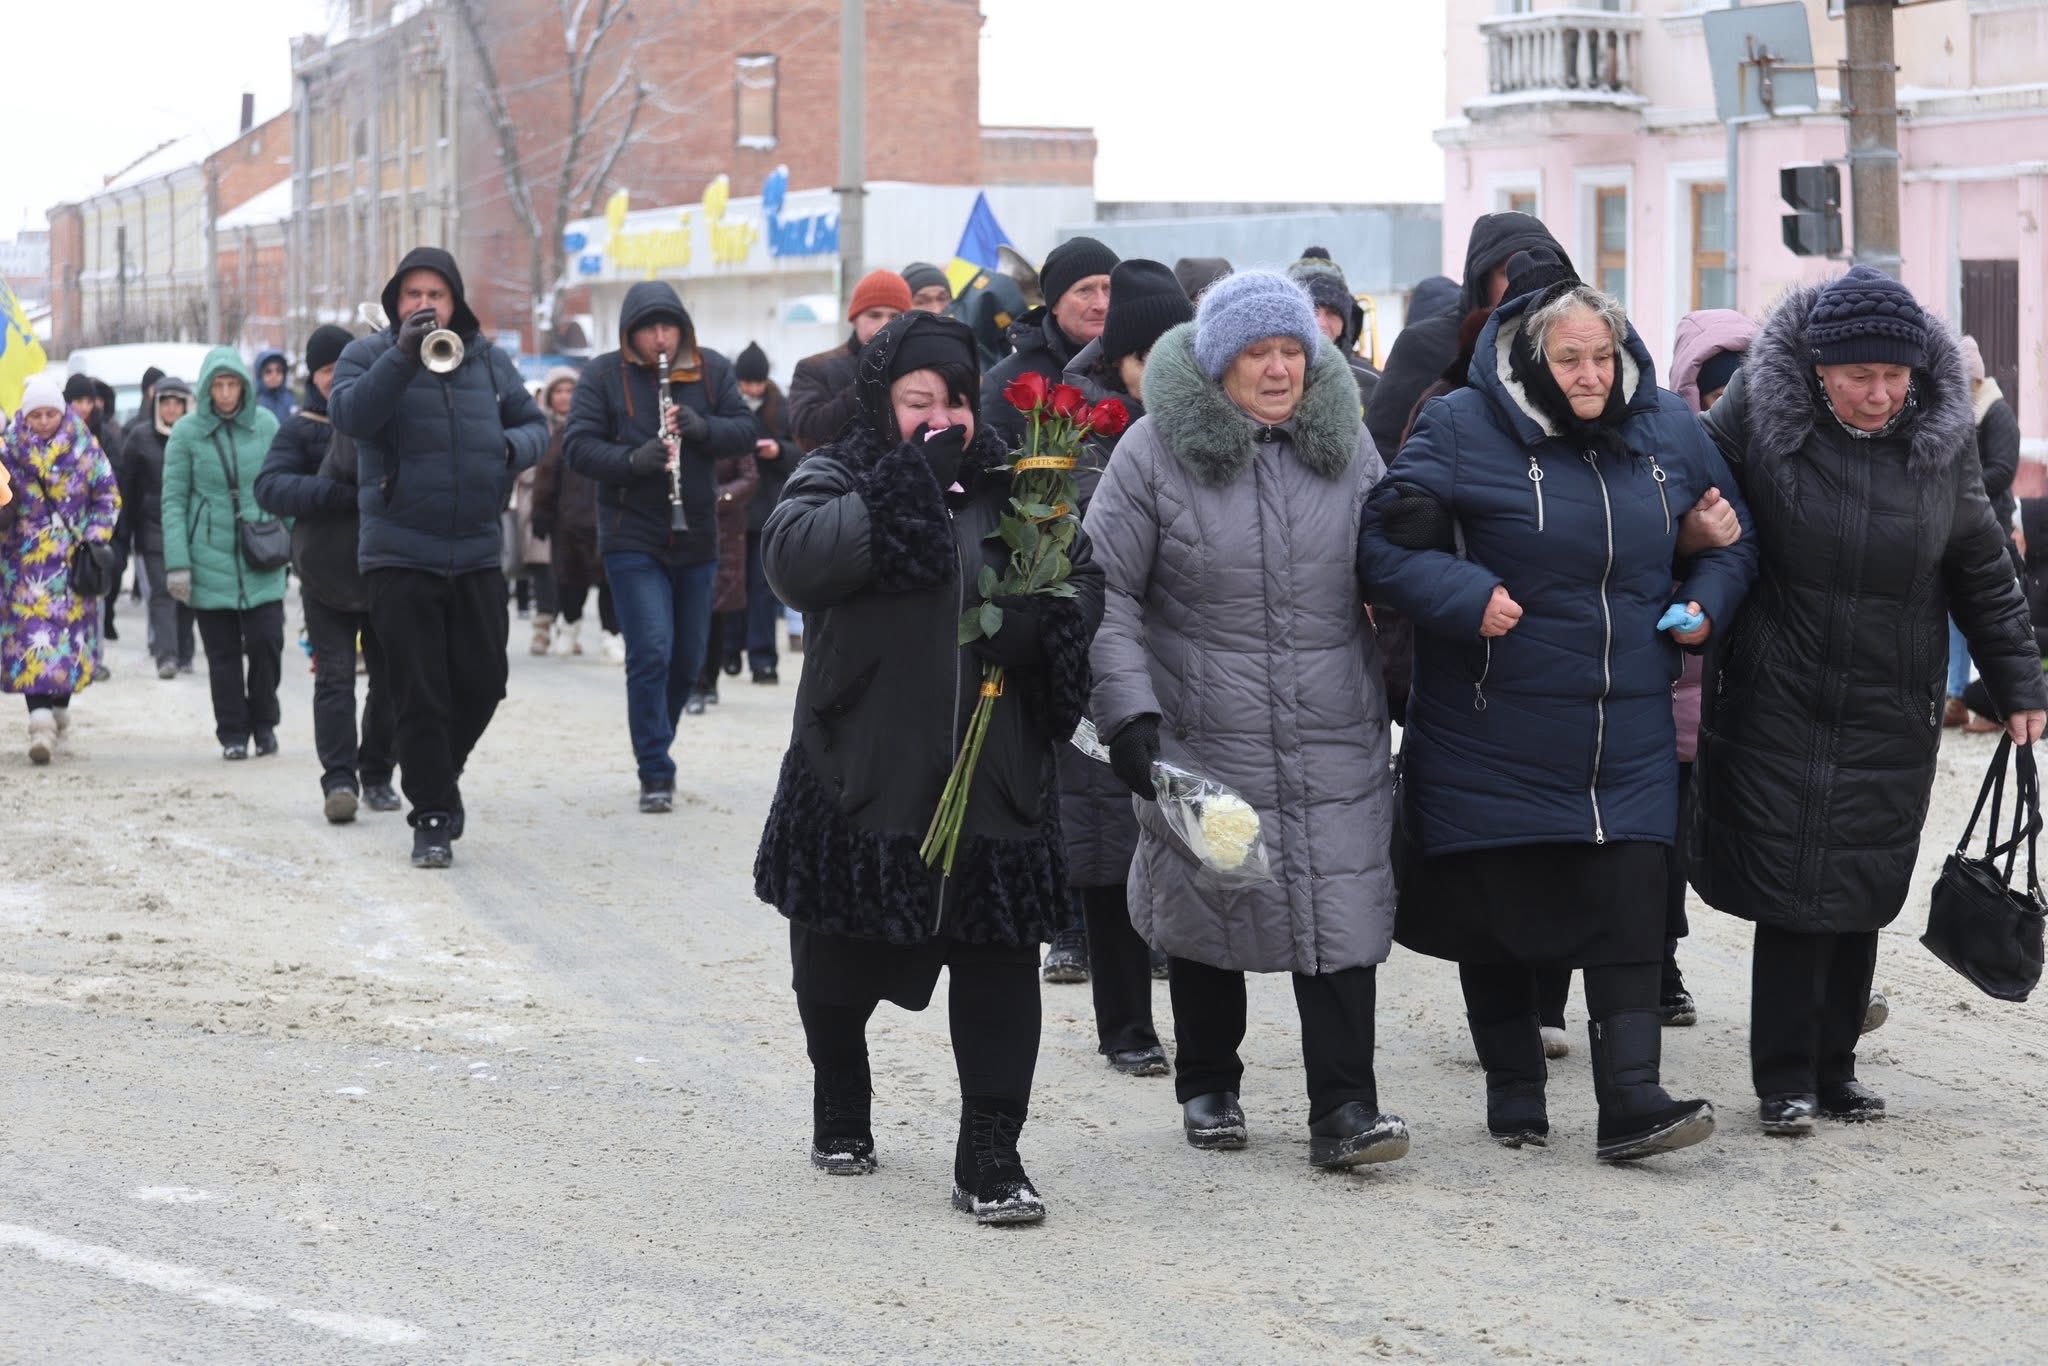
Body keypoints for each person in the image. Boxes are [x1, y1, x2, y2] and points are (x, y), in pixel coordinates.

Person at [1363, 278, 1759, 1161]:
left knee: (1630, 903)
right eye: (1569, 357)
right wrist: (1466, 595)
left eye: (1602, 356)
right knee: (1501, 905)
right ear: (1533, 361)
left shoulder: (1669, 429)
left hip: (1627, 722)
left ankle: (1631, 1100)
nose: (1588, 374)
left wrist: (1705, 597)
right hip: (1491, 720)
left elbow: (1737, 540)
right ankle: (1515, 1092)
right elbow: (1384, 547)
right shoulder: (1461, 425)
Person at [754, 310, 1104, 1224]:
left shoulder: (1019, 484)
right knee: (831, 972)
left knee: (997, 966)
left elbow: (1084, 571)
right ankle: (841, 1091)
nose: (941, 416)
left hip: (994, 778)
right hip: (864, 774)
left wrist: (1051, 625)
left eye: (955, 398)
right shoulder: (842, 470)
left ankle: (991, 1147)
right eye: (919, 401)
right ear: (884, 403)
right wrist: (907, 486)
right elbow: (794, 561)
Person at [1689, 266, 2048, 1135]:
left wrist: (2018, 681)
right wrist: (1696, 538)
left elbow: (1981, 568)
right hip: (1780, 686)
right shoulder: (1756, 417)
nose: (1881, 395)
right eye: (1860, 378)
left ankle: (1836, 1066)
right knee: (1790, 887)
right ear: (1818, 369)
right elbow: (1681, 490)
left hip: (1891, 695)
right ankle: (1782, 1078)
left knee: (1859, 885)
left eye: (1895, 377)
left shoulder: (1942, 438)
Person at [1087, 271, 1410, 1170]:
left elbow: (1391, 566)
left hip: (1334, 721)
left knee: (1338, 904)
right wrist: (1128, 715)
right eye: (1259, 353)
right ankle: (1209, 1084)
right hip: (1202, 718)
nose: (1279, 370)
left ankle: (1346, 1108)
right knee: (1212, 903)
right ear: (1220, 361)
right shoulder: (1153, 451)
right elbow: (1103, 588)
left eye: (1294, 351)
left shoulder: (1348, 447)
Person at [329, 246, 549, 869]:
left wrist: (505, 450)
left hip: (477, 548)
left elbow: (536, 426)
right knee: (420, 690)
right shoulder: (366, 355)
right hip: (399, 551)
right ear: (395, 302)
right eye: (413, 295)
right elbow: (350, 415)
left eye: (436, 295)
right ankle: (430, 818)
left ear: (455, 302)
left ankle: (437, 774)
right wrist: (401, 357)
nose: (425, 305)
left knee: (485, 682)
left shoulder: (487, 359)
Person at [1054, 257, 1192, 1070]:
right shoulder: (1071, 423)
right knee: (1108, 849)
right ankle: (1127, 1027)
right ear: (1120, 359)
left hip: (1190, 660)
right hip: (1100, 657)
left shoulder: (1207, 415)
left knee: (1186, 837)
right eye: (1151, 356)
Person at [563, 281, 758, 813]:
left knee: (688, 657)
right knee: (650, 648)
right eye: (649, 328)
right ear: (631, 332)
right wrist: (632, 460)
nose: (660, 338)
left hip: (696, 533)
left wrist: (700, 427)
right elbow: (577, 447)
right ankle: (655, 769)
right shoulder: (603, 376)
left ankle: (658, 740)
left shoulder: (712, 369)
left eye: (668, 326)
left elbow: (746, 430)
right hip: (631, 536)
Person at [1656, 307, 1758, 1026]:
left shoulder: (1783, 457)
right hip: (1670, 683)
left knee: (1728, 834)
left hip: (1740, 684)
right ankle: (1659, 966)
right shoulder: (1671, 454)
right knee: (1657, 840)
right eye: (1719, 398)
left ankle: (1821, 979)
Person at [254, 323, 400, 822]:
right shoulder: (302, 427)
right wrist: (335, 495)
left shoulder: (388, 419)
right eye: (327, 370)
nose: (336, 378)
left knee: (391, 681)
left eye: (345, 367)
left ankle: (378, 773)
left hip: (387, 571)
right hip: (324, 575)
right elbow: (271, 488)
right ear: (313, 377)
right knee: (335, 681)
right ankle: (339, 779)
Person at [162, 348, 286, 761]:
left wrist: (292, 539)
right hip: (207, 556)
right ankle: (232, 732)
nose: (227, 393)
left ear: (245, 386)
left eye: (233, 384)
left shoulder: (266, 425)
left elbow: (286, 485)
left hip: (262, 553)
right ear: (206, 388)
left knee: (268, 642)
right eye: (218, 385)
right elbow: (174, 501)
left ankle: (265, 722)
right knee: (222, 654)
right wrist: (178, 563)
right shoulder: (186, 433)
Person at [1370, 213, 1572, 460]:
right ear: (1482, 280)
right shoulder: (1423, 346)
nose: (1529, 278)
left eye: (1544, 265)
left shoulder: (1585, 346)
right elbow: (1382, 452)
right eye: (1509, 270)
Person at [1, 374, 119, 763]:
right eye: (37, 414)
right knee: (31, 644)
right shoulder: (10, 451)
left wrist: (95, 535)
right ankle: (39, 724)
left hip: (72, 566)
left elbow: (107, 493)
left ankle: (59, 710)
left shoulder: (85, 447)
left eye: (51, 412)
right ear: (25, 414)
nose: (45, 421)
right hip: (24, 567)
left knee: (67, 646)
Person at [1948, 335, 2023, 732]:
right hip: (1960, 528)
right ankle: (1957, 695)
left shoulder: (1996, 414)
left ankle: (1990, 702)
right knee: (1953, 616)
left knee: (1989, 612)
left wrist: (1959, 486)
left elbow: (2003, 471)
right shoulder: (1961, 414)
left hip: (1990, 528)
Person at [979, 236, 1120, 446]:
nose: (1101, 304)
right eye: (1085, 290)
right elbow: (989, 470)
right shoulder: (1005, 382)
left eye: (1108, 288)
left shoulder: (1141, 367)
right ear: (1054, 304)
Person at [530, 366, 615, 658]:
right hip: (568, 520)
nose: (566, 397)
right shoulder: (559, 433)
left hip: (604, 517)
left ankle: (612, 634)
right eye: (560, 391)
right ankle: (568, 627)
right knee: (569, 580)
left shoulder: (609, 429)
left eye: (572, 391)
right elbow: (546, 476)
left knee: (609, 581)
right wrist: (541, 515)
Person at [732, 342, 800, 683]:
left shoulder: (780, 408)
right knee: (731, 585)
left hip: (768, 508)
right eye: (747, 382)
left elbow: (800, 450)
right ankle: (730, 651)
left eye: (757, 382)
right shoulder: (727, 405)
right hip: (731, 509)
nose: (752, 389)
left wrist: (778, 451)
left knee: (762, 588)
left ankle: (762, 659)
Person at [122, 377, 197, 678]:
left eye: (176, 403)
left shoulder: (195, 436)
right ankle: (166, 655)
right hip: (151, 527)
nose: (170, 409)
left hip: (189, 528)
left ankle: (185, 653)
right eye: (164, 402)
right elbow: (127, 488)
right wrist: (124, 533)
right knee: (162, 593)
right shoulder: (140, 438)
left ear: (185, 405)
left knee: (187, 591)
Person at [788, 270, 909, 453]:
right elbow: (807, 436)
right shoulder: (814, 368)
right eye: (874, 315)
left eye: (894, 316)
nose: (885, 324)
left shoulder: (917, 368)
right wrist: (867, 381)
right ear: (854, 319)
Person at [687, 432, 759, 713]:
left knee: (715, 608)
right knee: (689, 606)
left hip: (724, 528)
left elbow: (749, 478)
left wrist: (717, 497)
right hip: (681, 524)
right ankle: (691, 680)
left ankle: (706, 681)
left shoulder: (733, 432)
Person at [1288, 248, 1380, 411]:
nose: (1321, 323)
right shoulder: (1265, 377)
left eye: (1332, 313)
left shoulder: (1372, 384)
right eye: (1313, 310)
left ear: (1346, 325)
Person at [253, 349, 297, 423]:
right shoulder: (254, 402)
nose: (274, 375)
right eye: (268, 371)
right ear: (260, 375)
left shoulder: (291, 399)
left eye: (279, 370)